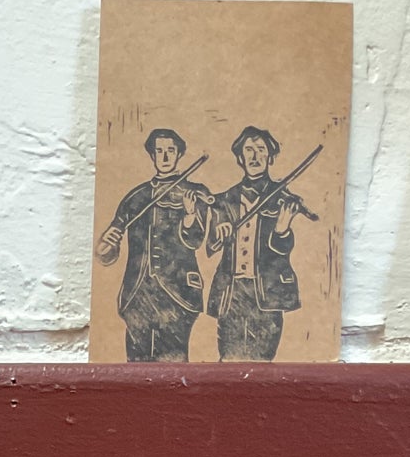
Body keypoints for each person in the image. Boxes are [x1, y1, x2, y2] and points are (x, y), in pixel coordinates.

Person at [96, 128, 209, 362]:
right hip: (137, 293)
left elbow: (195, 240)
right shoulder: (135, 197)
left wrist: (189, 214)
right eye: (159, 151)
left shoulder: (194, 193)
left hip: (177, 294)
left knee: (173, 364)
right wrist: (108, 244)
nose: (165, 157)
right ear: (152, 155)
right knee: (136, 365)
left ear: (179, 154)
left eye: (170, 151)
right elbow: (106, 254)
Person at [205, 126, 301, 362]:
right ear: (240, 157)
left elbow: (281, 252)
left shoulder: (281, 197)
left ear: (270, 157)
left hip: (266, 294)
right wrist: (220, 234)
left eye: (261, 150)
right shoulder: (224, 200)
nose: (255, 156)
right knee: (229, 360)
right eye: (249, 150)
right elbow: (210, 247)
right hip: (232, 293)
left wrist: (282, 229)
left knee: (262, 364)